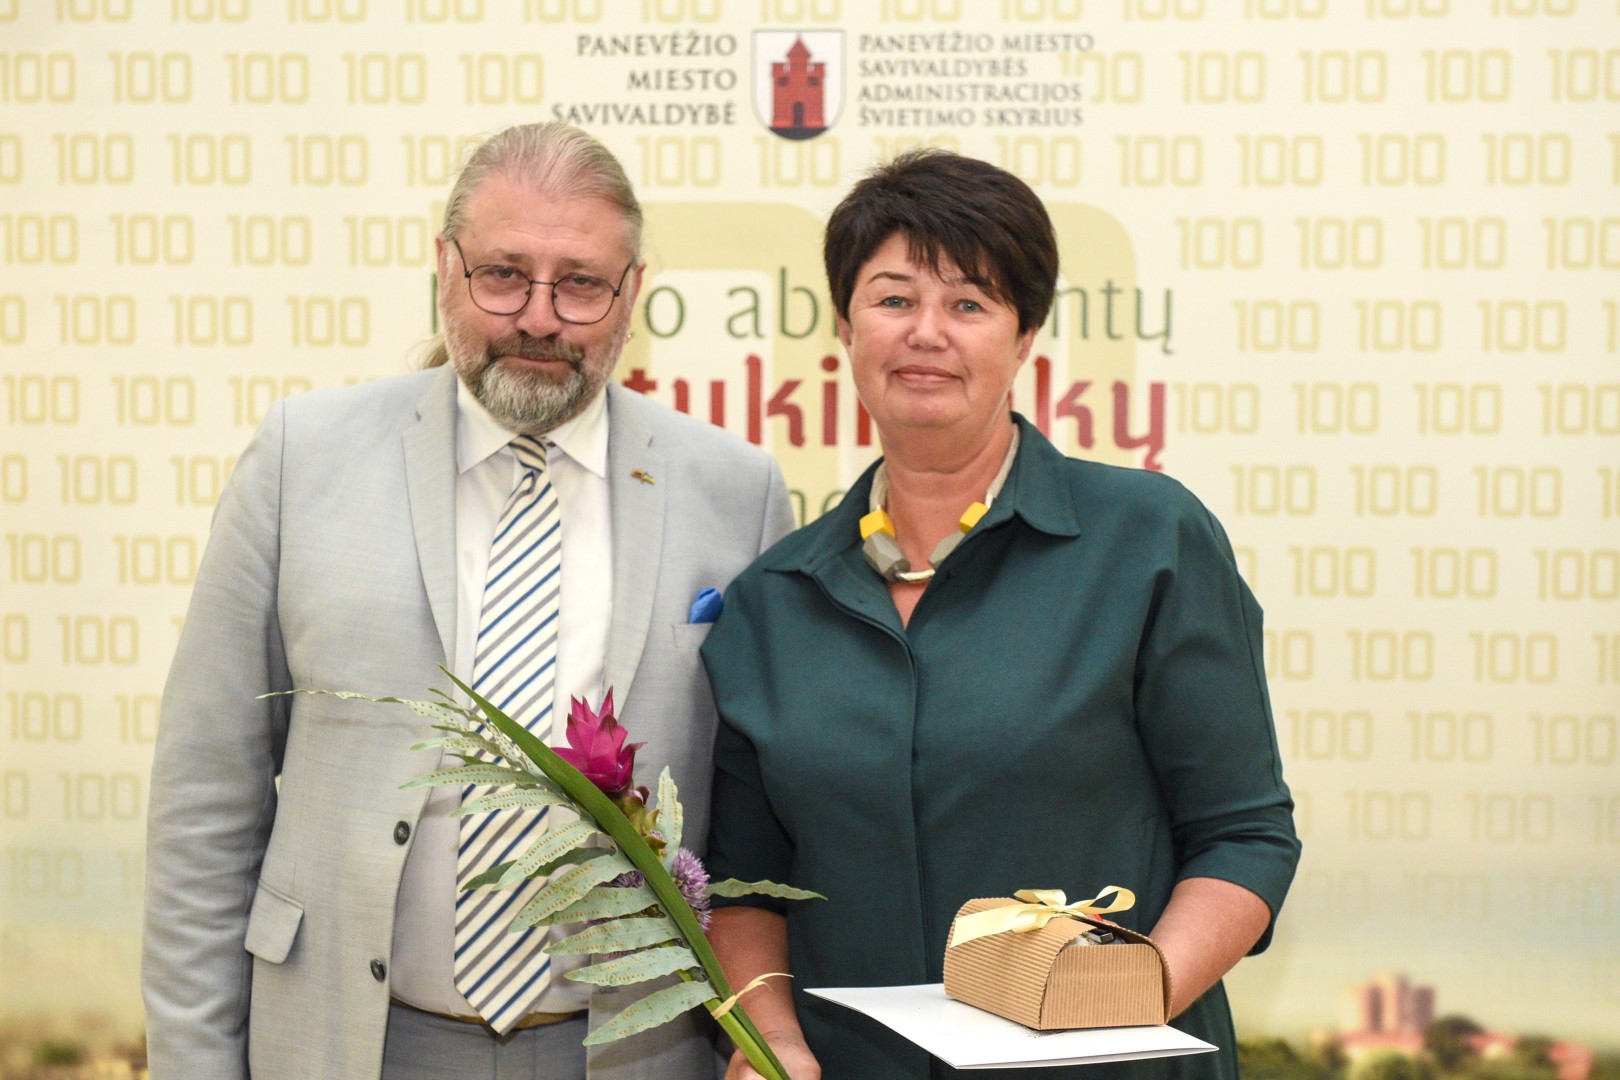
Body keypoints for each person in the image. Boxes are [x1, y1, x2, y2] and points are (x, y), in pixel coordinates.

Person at [142, 122, 794, 1080]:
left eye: (580, 284)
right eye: (503, 276)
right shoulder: (299, 459)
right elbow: (206, 802)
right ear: (444, 268)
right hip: (352, 1041)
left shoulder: (736, 492)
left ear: (632, 293)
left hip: (633, 1049)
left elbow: (760, 816)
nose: (539, 317)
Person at [701, 149, 1302, 1080]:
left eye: (969, 303)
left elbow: (1244, 836)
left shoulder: (1150, 542)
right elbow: (745, 888)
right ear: (845, 328)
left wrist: (1122, 1002)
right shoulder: (770, 601)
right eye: (894, 299)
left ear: (1025, 339)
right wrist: (771, 1041)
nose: (926, 333)